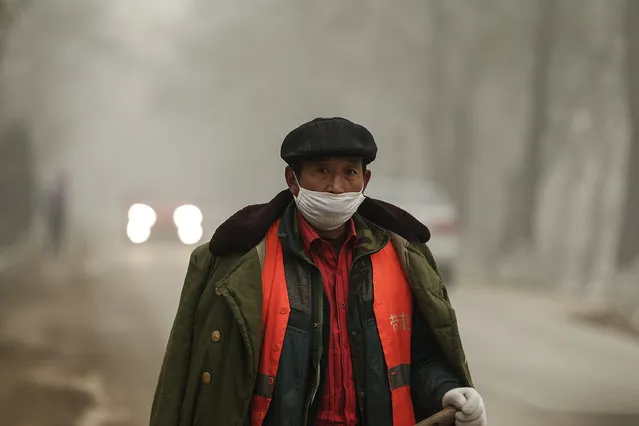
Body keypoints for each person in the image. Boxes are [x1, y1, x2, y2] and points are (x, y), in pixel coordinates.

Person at [150, 117, 487, 426]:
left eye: (349, 173)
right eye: (322, 172)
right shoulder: (239, 263)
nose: (336, 187)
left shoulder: (402, 257)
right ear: (292, 180)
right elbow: (188, 378)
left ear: (365, 180)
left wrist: (449, 391)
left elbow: (422, 357)